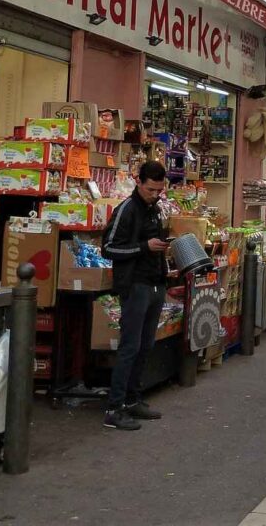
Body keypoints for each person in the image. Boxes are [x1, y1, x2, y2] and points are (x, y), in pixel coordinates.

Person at [101, 161, 170, 431]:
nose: (155, 194)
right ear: (138, 182)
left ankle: (132, 399)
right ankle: (114, 407)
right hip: (135, 285)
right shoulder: (127, 210)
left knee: (145, 345)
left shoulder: (155, 208)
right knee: (130, 346)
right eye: (151, 189)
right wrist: (144, 247)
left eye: (160, 190)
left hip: (155, 283)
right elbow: (108, 248)